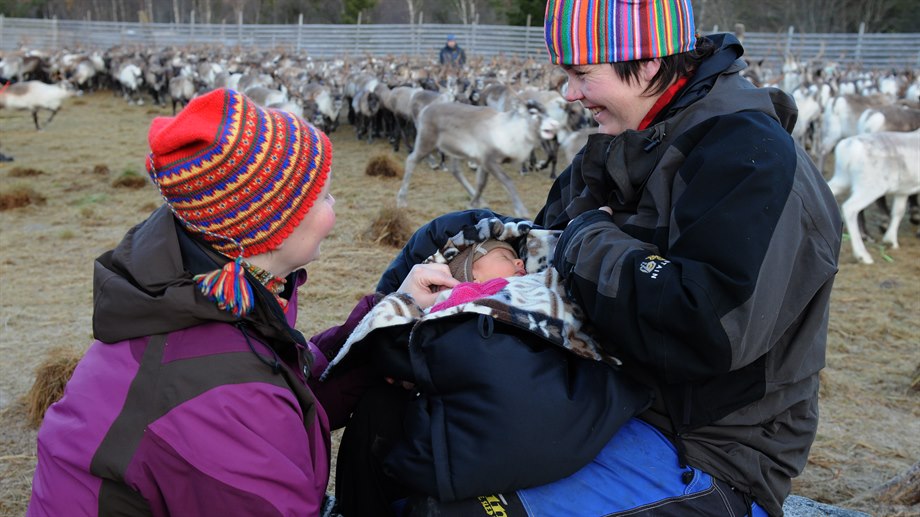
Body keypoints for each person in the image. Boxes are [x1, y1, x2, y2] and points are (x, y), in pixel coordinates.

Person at [26, 88, 458, 516]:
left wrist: (387, 316)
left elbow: (287, 385)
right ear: (270, 225)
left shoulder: (211, 294)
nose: (336, 205)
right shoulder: (213, 392)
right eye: (324, 196)